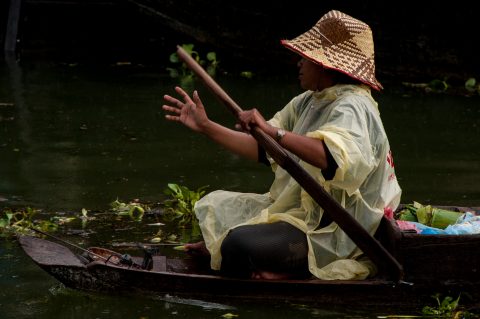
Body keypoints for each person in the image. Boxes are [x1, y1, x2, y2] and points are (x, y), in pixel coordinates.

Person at [162, 10, 401, 280]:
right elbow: (264, 149)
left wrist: (273, 131)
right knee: (215, 214)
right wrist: (207, 126)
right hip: (303, 215)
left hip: (337, 232)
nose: (299, 62)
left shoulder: (355, 106)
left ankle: (287, 274)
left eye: (306, 57)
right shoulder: (309, 101)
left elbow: (330, 157)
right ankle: (258, 261)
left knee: (236, 245)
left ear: (325, 65)